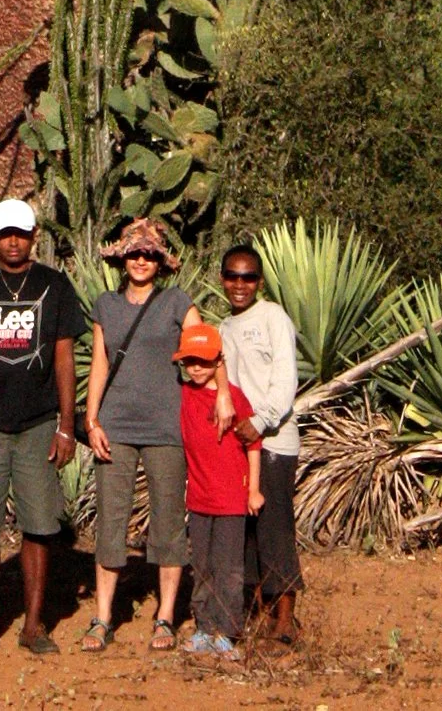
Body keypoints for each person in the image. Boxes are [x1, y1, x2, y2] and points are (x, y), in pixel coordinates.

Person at [0, 198, 84, 660]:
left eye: (21, 234)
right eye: (5, 232)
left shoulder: (54, 287)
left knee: (39, 526)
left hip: (38, 425)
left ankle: (32, 625)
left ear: (34, 236)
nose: (12, 241)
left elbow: (65, 359)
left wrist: (67, 425)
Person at [80, 216, 205, 655]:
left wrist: (217, 400)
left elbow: (204, 353)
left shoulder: (177, 303)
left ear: (160, 262)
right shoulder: (106, 306)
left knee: (169, 521)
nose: (140, 259)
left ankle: (166, 616)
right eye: (133, 253)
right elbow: (99, 363)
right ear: (122, 259)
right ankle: (102, 617)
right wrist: (92, 420)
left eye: (149, 254)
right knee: (111, 521)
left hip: (167, 426)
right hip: (115, 426)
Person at [217, 240, 304, 645]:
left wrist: (262, 420)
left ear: (260, 281)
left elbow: (285, 378)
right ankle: (258, 611)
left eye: (248, 277)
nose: (240, 284)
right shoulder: (224, 327)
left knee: (274, 526)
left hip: (273, 441)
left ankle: (285, 617)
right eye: (233, 276)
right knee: (246, 531)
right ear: (222, 279)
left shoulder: (273, 318)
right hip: (239, 444)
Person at [175, 321, 263, 657]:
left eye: (204, 361)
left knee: (229, 568)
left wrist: (253, 490)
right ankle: (203, 627)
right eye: (189, 361)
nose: (196, 368)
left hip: (230, 500)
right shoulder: (184, 395)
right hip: (198, 500)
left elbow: (253, 444)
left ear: (218, 362)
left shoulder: (234, 398)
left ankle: (228, 631)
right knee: (202, 566)